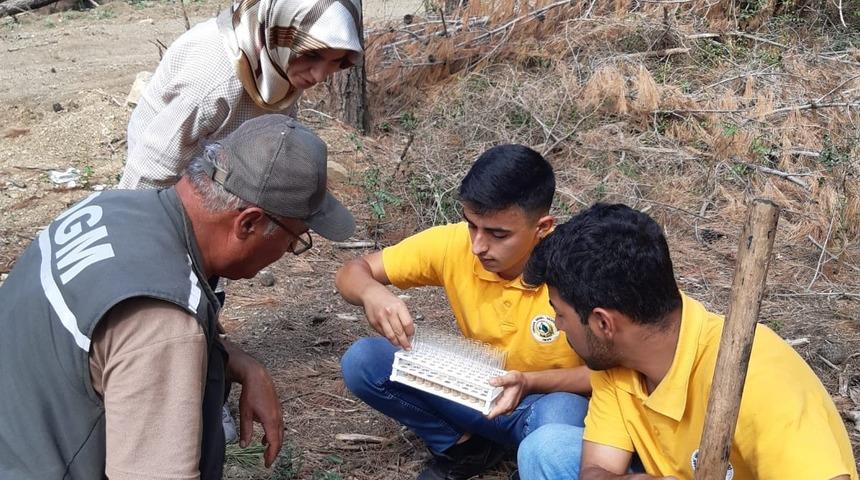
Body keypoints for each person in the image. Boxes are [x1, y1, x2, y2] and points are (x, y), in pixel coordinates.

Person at [0, 114, 355, 479]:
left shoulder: (111, 209)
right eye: (294, 238)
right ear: (247, 223)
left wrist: (241, 362)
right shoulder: (163, 320)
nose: (288, 250)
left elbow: (109, 350)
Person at [518, 203, 858, 480]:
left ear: (604, 322)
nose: (559, 326)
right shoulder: (616, 363)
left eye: (560, 314)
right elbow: (596, 470)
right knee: (547, 450)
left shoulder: (755, 374)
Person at [337, 145, 592, 480]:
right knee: (364, 361)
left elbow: (611, 374)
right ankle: (464, 446)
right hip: (473, 390)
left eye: (499, 234)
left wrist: (530, 383)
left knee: (566, 412)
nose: (478, 246)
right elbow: (351, 271)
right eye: (472, 225)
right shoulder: (454, 245)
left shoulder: (580, 266)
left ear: (542, 227)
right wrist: (372, 292)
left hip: (541, 404)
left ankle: (537, 457)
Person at [119, 0, 363, 190]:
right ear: (280, 25)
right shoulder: (214, 77)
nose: (320, 76)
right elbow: (149, 173)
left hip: (219, 175)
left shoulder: (276, 56)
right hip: (171, 182)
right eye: (312, 55)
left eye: (337, 61)